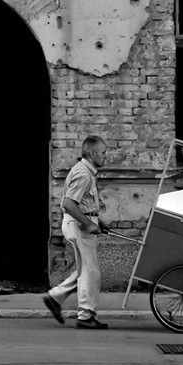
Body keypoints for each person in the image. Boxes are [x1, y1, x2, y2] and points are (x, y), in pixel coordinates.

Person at [42, 135, 110, 329]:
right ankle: (85, 315)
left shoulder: (87, 172)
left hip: (78, 223)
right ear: (91, 153)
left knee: (85, 270)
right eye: (103, 152)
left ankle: (56, 297)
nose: (106, 156)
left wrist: (98, 221)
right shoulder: (83, 174)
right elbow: (68, 204)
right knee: (91, 272)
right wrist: (88, 223)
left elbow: (84, 205)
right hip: (78, 227)